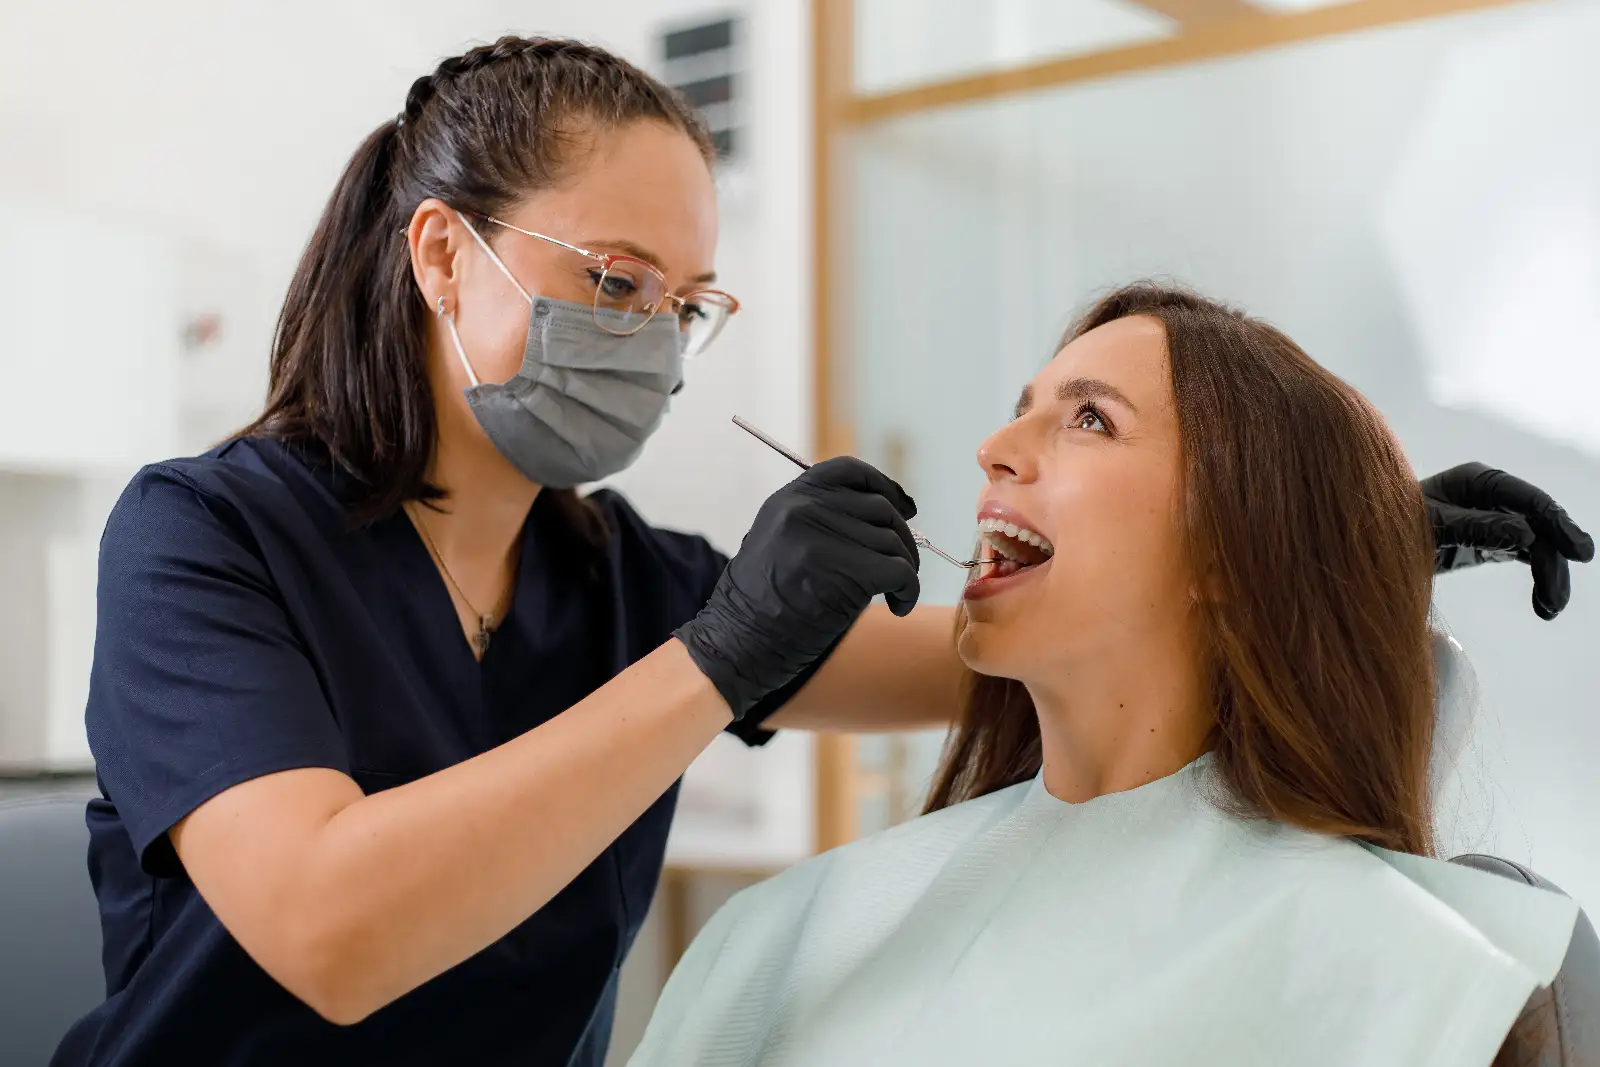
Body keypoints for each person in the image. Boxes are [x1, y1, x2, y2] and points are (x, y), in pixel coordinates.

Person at [53, 35, 1590, 1067]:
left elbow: (1030, 636)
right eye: (614, 275)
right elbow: (329, 929)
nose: (653, 333)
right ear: (444, 253)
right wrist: (720, 655)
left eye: (684, 298)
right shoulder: (206, 536)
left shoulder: (622, 583)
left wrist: (1335, 539)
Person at [625, 285, 1584, 1067]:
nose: (993, 449)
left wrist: (1338, 563)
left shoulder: (1421, 973)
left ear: (1237, 542)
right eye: (1019, 412)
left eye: (1088, 418)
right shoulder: (781, 942)